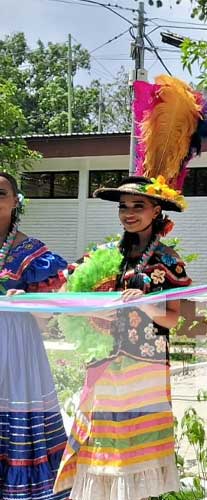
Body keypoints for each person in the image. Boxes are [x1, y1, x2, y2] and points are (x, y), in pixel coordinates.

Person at [53, 176, 191, 499]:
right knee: (102, 448)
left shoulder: (169, 261)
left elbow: (171, 318)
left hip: (145, 367)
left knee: (136, 452)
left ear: (156, 210)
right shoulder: (105, 256)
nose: (129, 213)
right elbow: (72, 295)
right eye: (123, 207)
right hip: (104, 364)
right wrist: (92, 313)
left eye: (138, 206)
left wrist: (145, 307)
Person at [0, 172, 71, 500]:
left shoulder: (32, 252)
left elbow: (47, 313)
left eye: (1, 193)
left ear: (16, 202)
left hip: (16, 346)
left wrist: (28, 301)